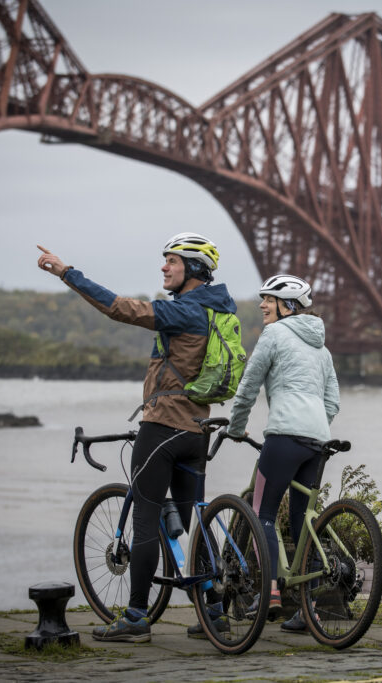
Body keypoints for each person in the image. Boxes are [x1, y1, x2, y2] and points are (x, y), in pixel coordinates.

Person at [37, 233, 238, 643]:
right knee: (193, 517)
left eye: (172, 262)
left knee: (145, 519)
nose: (164, 267)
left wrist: (66, 273)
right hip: (196, 430)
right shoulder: (217, 311)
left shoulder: (185, 311)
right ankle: (215, 614)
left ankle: (136, 616)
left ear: (194, 270)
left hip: (162, 426)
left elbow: (118, 308)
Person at [225, 274, 340, 633]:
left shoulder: (274, 335)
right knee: (304, 524)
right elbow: (332, 402)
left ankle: (271, 592)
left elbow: (249, 384)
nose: (262, 305)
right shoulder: (322, 349)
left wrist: (234, 425)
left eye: (269, 299)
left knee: (264, 513)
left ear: (287, 306)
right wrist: (315, 427)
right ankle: (309, 612)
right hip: (317, 442)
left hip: (284, 436)